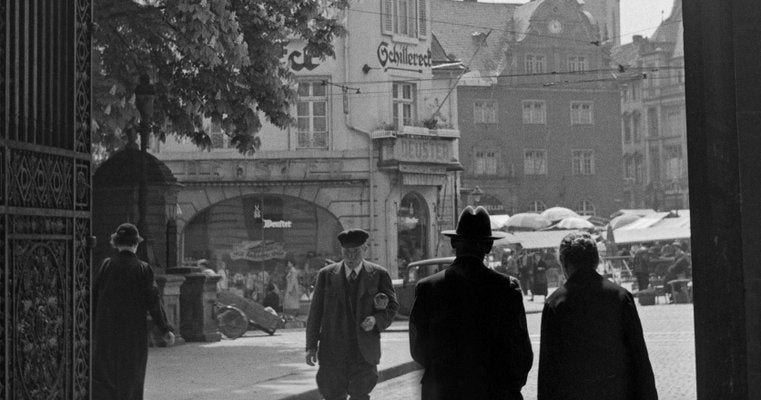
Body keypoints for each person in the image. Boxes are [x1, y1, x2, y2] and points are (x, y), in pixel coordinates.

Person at [409, 206, 533, 400]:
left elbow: (418, 349)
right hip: (493, 391)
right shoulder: (507, 288)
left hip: (444, 391)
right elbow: (521, 353)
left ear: (454, 243)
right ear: (488, 247)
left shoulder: (427, 288)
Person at [538, 232, 657, 400]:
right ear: (596, 260)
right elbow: (639, 357)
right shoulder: (621, 296)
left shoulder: (555, 303)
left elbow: (548, 369)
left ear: (565, 263)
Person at [306, 229, 399, 400]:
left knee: (360, 394)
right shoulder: (326, 275)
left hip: (363, 350)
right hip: (333, 350)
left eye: (355, 251)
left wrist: (376, 320)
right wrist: (311, 346)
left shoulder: (379, 274)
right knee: (333, 394)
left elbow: (392, 307)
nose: (351, 256)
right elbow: (315, 313)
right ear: (341, 251)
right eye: (346, 252)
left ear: (365, 250)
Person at [92, 223, 175, 400]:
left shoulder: (106, 265)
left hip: (106, 332)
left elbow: (92, 297)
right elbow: (153, 301)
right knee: (131, 378)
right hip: (133, 334)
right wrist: (165, 328)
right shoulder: (143, 268)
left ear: (116, 243)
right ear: (136, 244)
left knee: (105, 378)